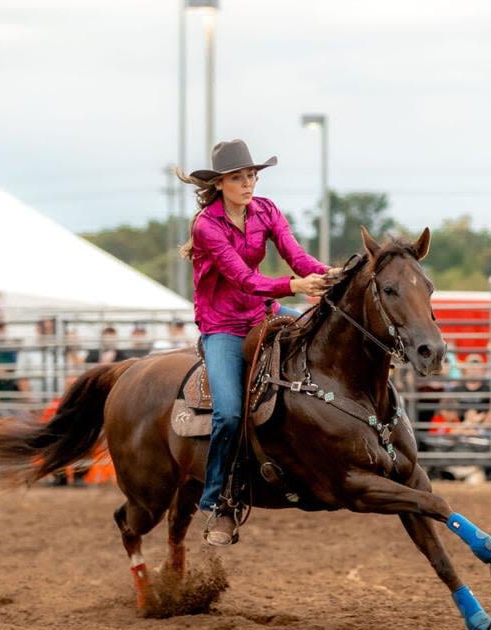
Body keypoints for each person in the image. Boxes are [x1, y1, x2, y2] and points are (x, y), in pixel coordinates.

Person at [177, 139, 332, 545]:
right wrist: (294, 286)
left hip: (262, 314)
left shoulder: (266, 210)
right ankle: (216, 500)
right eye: (238, 177)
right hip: (223, 326)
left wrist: (330, 274)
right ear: (220, 184)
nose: (248, 183)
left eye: (252, 175)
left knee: (318, 344)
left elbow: (297, 257)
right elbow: (243, 278)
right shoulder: (207, 225)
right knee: (228, 413)